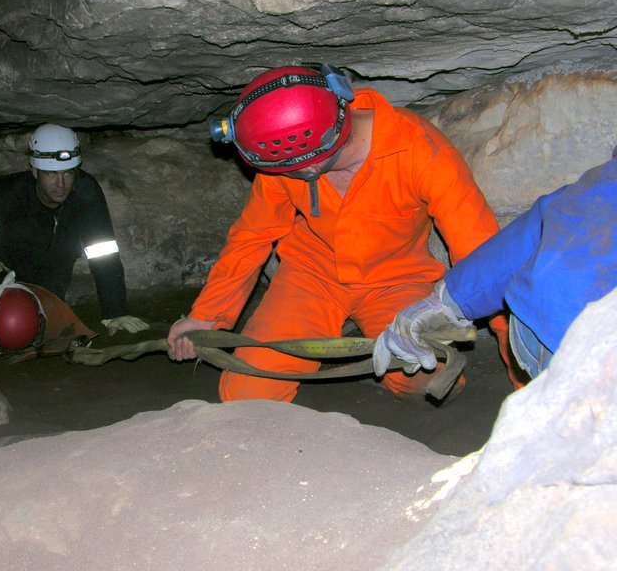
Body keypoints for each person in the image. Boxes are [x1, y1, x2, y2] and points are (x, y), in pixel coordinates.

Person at [167, 63, 511, 403]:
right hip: (310, 275)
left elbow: (484, 258)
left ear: (311, 167)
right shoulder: (286, 161)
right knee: (247, 393)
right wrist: (206, 316)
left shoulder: (419, 150)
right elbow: (252, 236)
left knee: (429, 382)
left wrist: (525, 368)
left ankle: (381, 358)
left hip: (395, 279)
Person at [373, 151, 617, 383]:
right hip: (573, 334)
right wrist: (446, 303)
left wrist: (446, 302)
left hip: (541, 325)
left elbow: (545, 225)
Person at [0, 123, 149, 336]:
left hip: (55, 265)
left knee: (42, 323)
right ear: (35, 171)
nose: (61, 184)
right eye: (51, 175)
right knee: (8, 324)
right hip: (9, 266)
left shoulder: (86, 193)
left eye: (68, 173)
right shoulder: (8, 193)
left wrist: (115, 311)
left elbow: (103, 252)